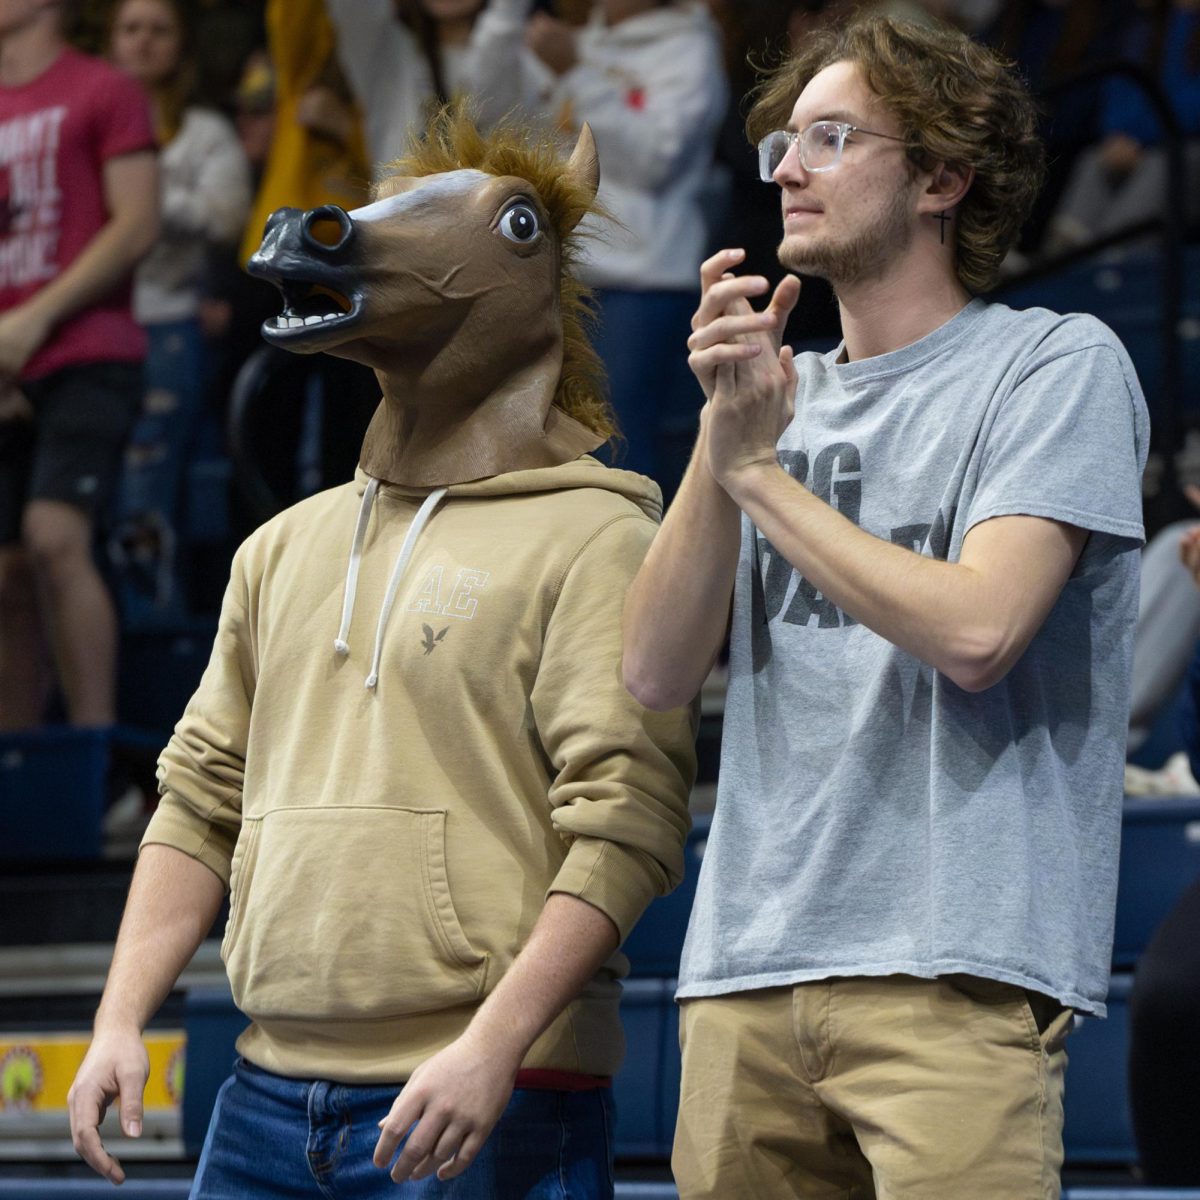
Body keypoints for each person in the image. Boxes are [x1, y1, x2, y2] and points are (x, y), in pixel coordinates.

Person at [67, 110, 695, 1197]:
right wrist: (121, 1015)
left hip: (483, 1100)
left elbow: (627, 822)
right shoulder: (281, 551)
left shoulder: (600, 537)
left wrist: (495, 1046)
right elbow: (200, 798)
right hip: (260, 1095)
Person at [622, 14, 1148, 1199]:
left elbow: (978, 633)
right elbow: (654, 671)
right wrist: (726, 436)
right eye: (783, 146)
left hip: (950, 978)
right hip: (745, 972)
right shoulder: (769, 406)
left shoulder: (1054, 366)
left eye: (833, 138)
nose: (789, 172)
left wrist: (762, 475)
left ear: (944, 178)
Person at [469, 0, 728, 502]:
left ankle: (641, 573)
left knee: (621, 451)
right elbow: (486, 108)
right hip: (558, 275)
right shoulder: (575, 38)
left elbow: (657, 161)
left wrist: (578, 74)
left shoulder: (689, 48)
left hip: (645, 288)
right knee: (553, 444)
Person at [0, 0, 158, 729]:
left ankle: (94, 760)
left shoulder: (104, 88)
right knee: (6, 572)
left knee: (55, 537)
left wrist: (35, 317)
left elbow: (136, 224)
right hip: (7, 363)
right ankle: (25, 777)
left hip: (88, 349)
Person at [106, 0, 252, 622]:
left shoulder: (205, 132)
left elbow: (229, 218)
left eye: (159, 29)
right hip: (88, 326)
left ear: (182, 46)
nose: (143, 42)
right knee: (92, 497)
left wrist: (144, 194)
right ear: (110, 40)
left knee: (151, 495)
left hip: (170, 323)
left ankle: (154, 646)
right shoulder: (86, 119)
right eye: (130, 28)